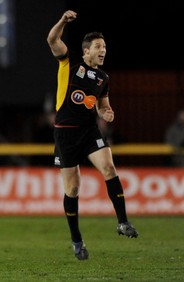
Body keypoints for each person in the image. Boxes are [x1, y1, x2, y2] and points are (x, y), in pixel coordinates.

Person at [46, 10, 138, 260]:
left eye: (105, 46)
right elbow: (52, 41)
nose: (103, 49)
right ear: (86, 51)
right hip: (65, 134)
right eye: (98, 46)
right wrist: (63, 22)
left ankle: (122, 222)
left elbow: (102, 106)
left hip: (89, 131)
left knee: (109, 167)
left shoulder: (103, 78)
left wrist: (107, 112)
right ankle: (77, 240)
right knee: (73, 189)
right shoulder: (70, 62)